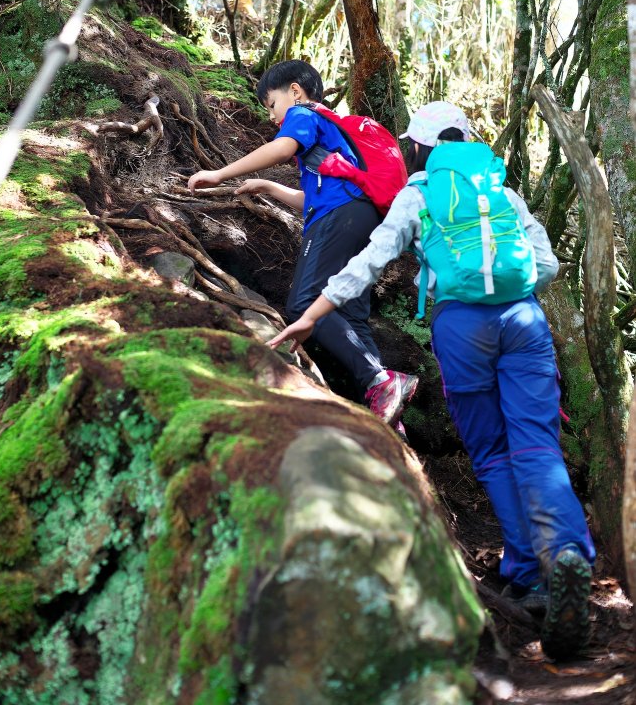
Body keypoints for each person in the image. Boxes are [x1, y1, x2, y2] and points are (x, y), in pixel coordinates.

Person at [269, 100, 596, 661]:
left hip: (460, 328)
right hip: (524, 321)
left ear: (419, 146)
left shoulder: (418, 195)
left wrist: (312, 315)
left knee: (492, 451)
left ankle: (524, 572)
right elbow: (546, 265)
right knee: (537, 444)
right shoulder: (502, 191)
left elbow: (367, 263)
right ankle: (565, 555)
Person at [187, 60, 418, 429]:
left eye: (272, 104)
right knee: (349, 314)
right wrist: (269, 188)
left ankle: (382, 382)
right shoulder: (331, 135)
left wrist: (219, 173)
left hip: (339, 218)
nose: (274, 116)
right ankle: (385, 415)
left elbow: (281, 150)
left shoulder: (304, 113)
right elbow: (314, 197)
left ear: (294, 90)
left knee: (305, 303)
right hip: (361, 218)